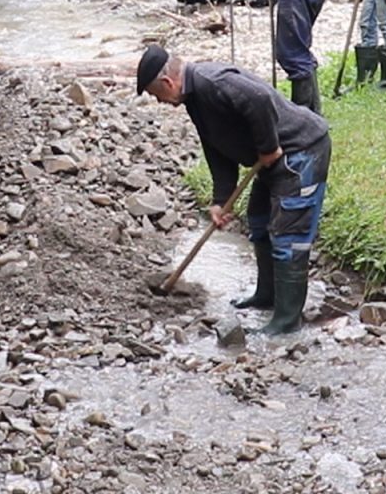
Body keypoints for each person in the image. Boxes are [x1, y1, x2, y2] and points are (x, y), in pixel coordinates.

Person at [138, 45, 332, 336]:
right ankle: (267, 296)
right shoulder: (194, 99)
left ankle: (287, 321)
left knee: (288, 233)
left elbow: (260, 98)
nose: (161, 102)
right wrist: (220, 200)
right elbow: (216, 148)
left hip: (301, 151)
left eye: (157, 96)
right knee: (258, 220)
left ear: (168, 83)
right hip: (273, 160)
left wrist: (268, 146)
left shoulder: (212, 82)